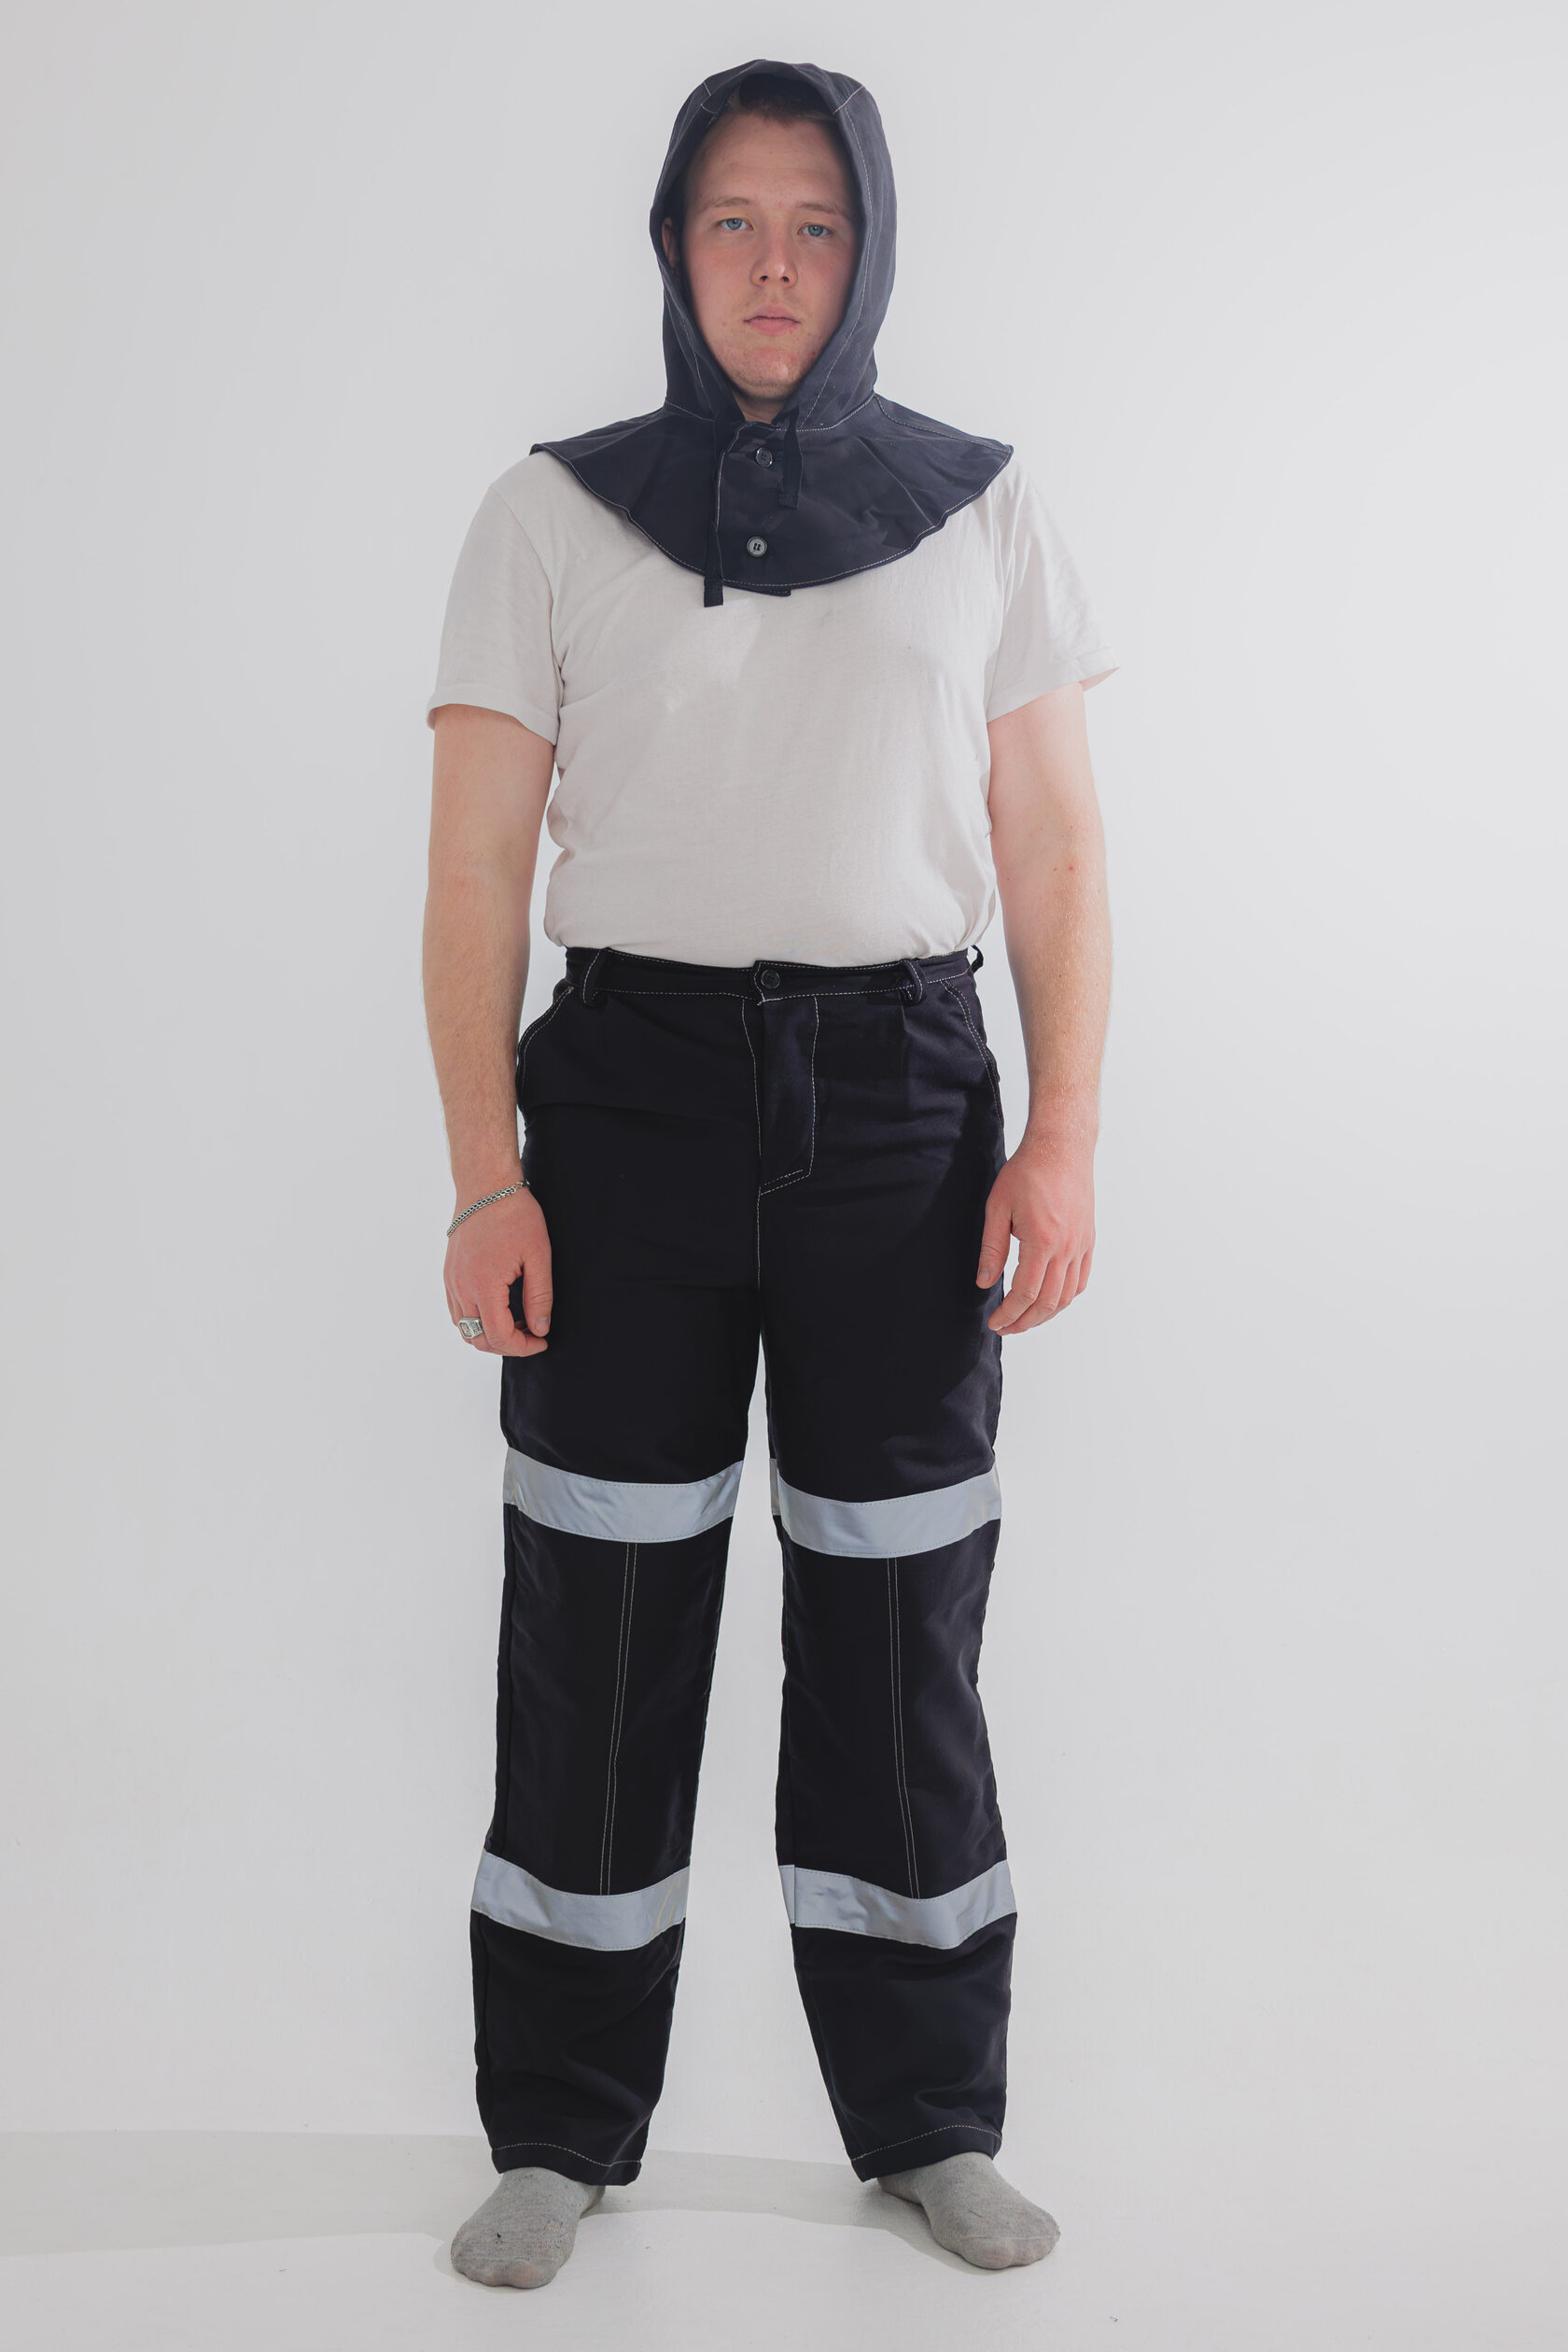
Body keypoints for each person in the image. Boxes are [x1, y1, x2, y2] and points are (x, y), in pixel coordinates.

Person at [421, 57, 1115, 2290]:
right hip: (624, 1105)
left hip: (904, 1110)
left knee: (902, 1622)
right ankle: (559, 2128)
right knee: (599, 1617)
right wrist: (485, 1174)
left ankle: (929, 2123)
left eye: (819, 223)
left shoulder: (983, 509)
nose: (776, 265)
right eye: (733, 220)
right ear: (671, 245)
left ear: (872, 247)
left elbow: (1053, 848)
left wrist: (1063, 1138)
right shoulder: (548, 514)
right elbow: (476, 866)